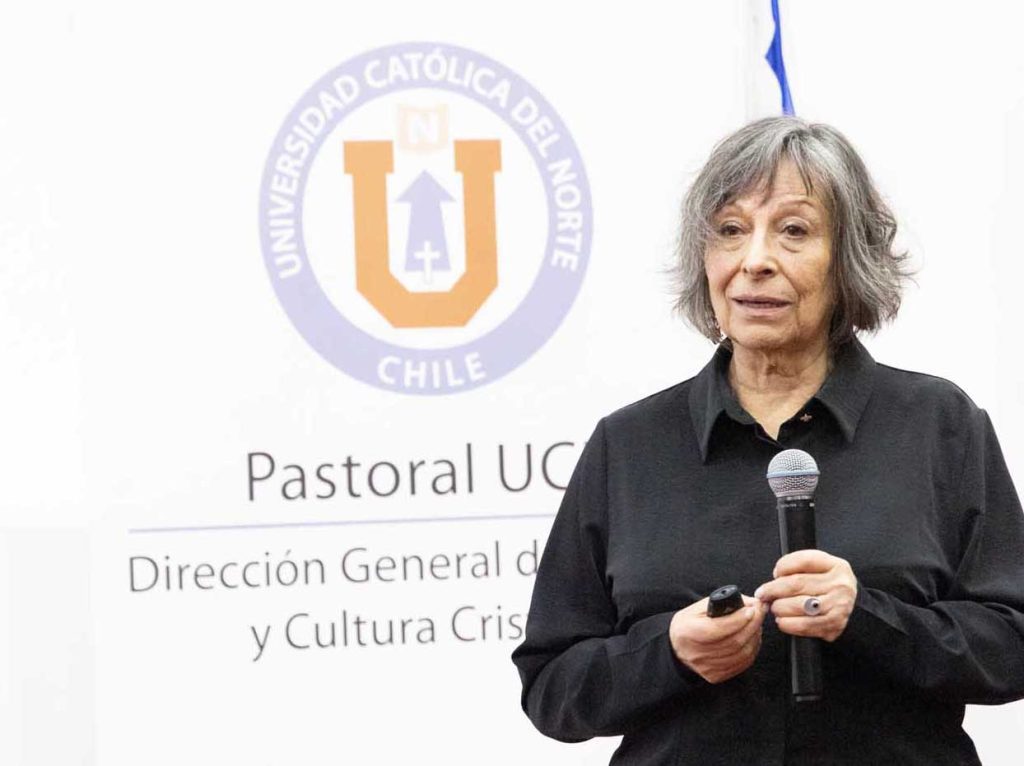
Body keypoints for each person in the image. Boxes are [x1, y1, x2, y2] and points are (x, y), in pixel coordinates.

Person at [510, 116, 1024, 765]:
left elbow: (1012, 647)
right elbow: (553, 687)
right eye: (730, 230)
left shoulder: (939, 424)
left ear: (848, 258)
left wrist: (868, 618)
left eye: (794, 230)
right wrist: (669, 652)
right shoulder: (628, 445)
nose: (755, 260)